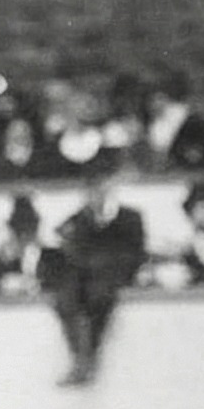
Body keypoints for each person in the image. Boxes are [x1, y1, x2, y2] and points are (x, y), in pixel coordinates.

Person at [40, 156, 147, 387]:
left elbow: (135, 253)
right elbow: (66, 245)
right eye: (92, 190)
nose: (96, 195)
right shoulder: (80, 218)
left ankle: (88, 359)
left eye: (102, 189)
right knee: (65, 298)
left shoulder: (129, 217)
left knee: (99, 297)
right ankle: (80, 358)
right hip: (85, 276)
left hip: (113, 274)